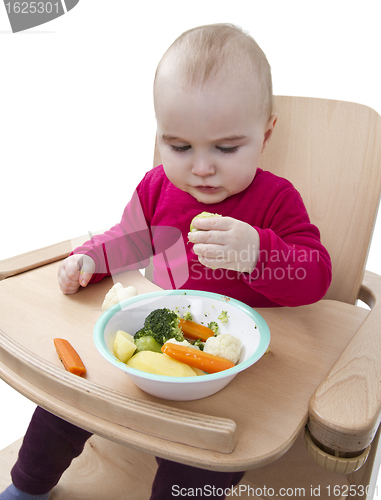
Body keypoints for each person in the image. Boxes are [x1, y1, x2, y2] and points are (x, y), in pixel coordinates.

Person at [1, 23, 332, 500]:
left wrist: (260, 255)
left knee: (202, 466)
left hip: (240, 379)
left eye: (226, 147)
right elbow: (129, 239)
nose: (201, 167)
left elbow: (316, 276)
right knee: (65, 403)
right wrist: (90, 258)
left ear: (266, 133)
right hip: (160, 345)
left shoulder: (277, 201)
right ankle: (27, 487)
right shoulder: (158, 187)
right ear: (159, 134)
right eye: (179, 146)